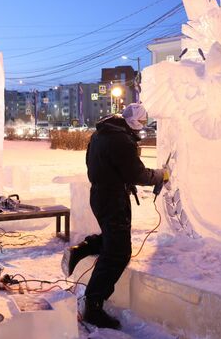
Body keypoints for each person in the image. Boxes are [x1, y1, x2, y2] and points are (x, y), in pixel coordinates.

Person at [62, 103, 167, 329]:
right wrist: (158, 175)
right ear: (134, 123)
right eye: (141, 125)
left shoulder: (102, 134)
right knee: (119, 252)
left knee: (113, 238)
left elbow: (102, 166)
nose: (141, 130)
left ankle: (82, 249)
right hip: (112, 198)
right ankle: (93, 305)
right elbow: (136, 172)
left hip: (100, 194)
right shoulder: (121, 140)